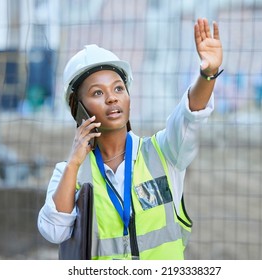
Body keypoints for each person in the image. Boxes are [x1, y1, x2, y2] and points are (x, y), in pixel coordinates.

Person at [37, 18, 223, 260]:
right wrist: (73, 163)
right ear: (78, 107)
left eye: (118, 88)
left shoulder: (164, 153)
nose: (112, 98)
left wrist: (208, 74)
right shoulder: (70, 173)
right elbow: (54, 230)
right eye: (97, 93)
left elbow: (190, 117)